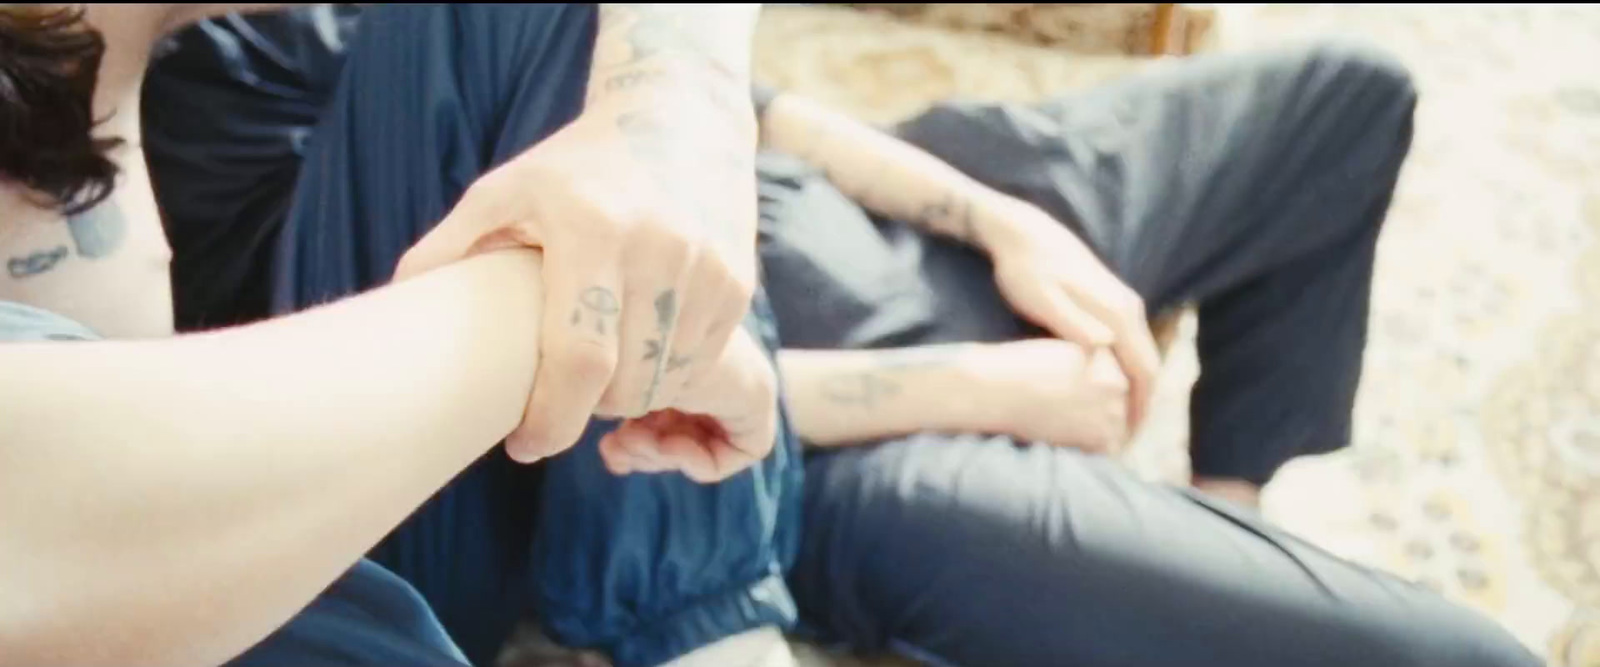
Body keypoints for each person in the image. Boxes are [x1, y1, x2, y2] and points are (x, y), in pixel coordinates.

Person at [137, 5, 1543, 667]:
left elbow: (746, 106)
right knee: (1443, 655)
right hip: (792, 451)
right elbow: (553, 385)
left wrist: (990, 213)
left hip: (851, 217)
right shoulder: (188, 111)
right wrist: (968, 384)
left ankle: (1223, 497)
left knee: (1348, 91)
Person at [0, 4, 799, 667]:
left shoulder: (221, 50)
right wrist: (563, 305)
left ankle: (715, 639)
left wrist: (675, 117)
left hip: (325, 527)